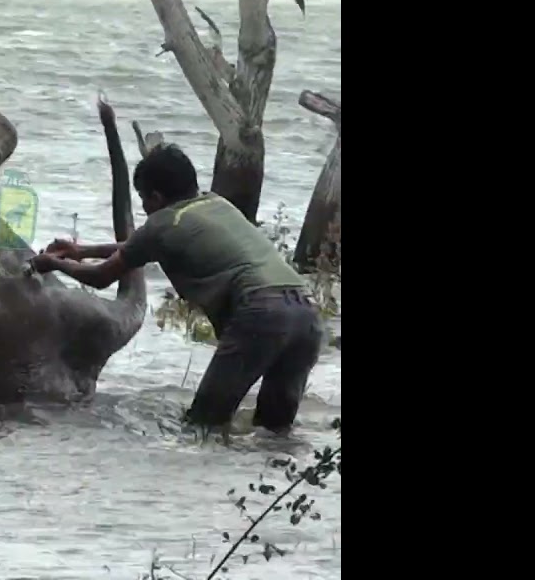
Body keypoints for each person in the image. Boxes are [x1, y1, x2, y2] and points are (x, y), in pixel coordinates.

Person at [29, 143, 327, 434]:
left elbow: (100, 278)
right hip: (307, 314)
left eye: (144, 199)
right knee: (274, 432)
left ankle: (205, 481)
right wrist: (81, 251)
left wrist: (54, 264)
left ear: (156, 197)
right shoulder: (215, 203)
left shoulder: (162, 224)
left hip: (262, 313)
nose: (145, 208)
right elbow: (139, 248)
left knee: (203, 426)